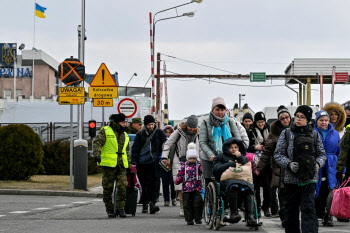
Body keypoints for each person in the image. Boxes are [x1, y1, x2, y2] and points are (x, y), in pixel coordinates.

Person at [274, 105, 326, 233]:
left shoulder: (315, 134)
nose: (298, 119)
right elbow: (278, 154)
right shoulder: (286, 133)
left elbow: (322, 154)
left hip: (309, 179)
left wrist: (317, 164)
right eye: (297, 116)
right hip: (290, 180)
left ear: (308, 119)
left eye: (302, 117)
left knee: (309, 210)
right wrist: (289, 164)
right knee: (291, 211)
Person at [255, 105, 291, 227]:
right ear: (279, 120)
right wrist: (259, 167)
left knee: (292, 196)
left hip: (294, 169)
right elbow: (267, 151)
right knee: (283, 195)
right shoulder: (274, 132)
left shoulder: (295, 129)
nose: (286, 120)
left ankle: (290, 217)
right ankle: (284, 217)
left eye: (287, 117)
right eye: (282, 118)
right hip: (279, 169)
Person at [162, 115, 201, 217]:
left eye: (194, 127)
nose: (191, 129)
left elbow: (201, 147)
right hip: (179, 161)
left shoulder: (199, 133)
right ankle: (182, 207)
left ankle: (191, 208)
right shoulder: (178, 132)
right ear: (186, 125)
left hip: (195, 162)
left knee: (194, 187)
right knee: (181, 187)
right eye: (190, 127)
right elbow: (168, 144)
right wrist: (164, 157)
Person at [199, 97, 242, 188]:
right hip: (210, 159)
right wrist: (210, 154)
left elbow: (237, 139)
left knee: (228, 184)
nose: (220, 112)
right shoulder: (205, 123)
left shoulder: (230, 122)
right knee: (210, 184)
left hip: (227, 158)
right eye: (217, 109)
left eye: (222, 110)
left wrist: (237, 152)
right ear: (212, 110)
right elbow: (202, 142)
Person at [93, 113, 130, 218]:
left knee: (123, 185)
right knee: (108, 188)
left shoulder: (125, 134)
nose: (124, 124)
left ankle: (120, 208)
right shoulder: (105, 130)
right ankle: (109, 208)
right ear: (117, 123)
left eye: (125, 122)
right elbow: (97, 142)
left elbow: (127, 151)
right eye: (123, 122)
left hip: (121, 165)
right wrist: (97, 154)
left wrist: (129, 164)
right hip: (108, 165)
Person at [212, 138, 256, 225]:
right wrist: (231, 164)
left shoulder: (243, 158)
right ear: (227, 148)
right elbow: (216, 170)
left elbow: (246, 167)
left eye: (236, 147)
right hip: (227, 181)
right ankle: (234, 213)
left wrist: (239, 157)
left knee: (248, 189)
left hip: (243, 180)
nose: (234, 149)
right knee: (234, 185)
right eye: (231, 147)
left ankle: (250, 216)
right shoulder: (220, 157)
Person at [131, 115, 167, 214]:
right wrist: (133, 162)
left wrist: (164, 157)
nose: (150, 126)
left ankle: (152, 203)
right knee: (144, 184)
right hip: (142, 163)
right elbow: (135, 149)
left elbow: (166, 144)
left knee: (154, 183)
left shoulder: (159, 133)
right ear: (145, 125)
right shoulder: (140, 134)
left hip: (154, 163)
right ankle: (144, 204)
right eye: (148, 125)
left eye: (152, 124)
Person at [313, 110, 340, 227]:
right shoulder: (312, 132)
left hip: (331, 165)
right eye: (321, 120)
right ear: (316, 121)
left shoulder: (335, 133)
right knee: (316, 190)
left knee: (330, 190)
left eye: (326, 120)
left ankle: (327, 215)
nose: (324, 122)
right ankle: (315, 214)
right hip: (317, 165)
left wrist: (341, 169)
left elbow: (339, 152)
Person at [247, 111, 274, 218]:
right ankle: (257, 207)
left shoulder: (269, 130)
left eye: (262, 122)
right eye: (259, 122)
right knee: (256, 187)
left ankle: (266, 207)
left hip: (267, 162)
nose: (261, 124)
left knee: (268, 187)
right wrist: (255, 147)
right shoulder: (250, 132)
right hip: (255, 163)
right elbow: (246, 147)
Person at [174, 143, 203, 225]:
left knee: (198, 202)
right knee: (187, 204)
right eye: (190, 158)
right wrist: (177, 181)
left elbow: (203, 171)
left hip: (197, 188)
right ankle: (189, 219)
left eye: (194, 158)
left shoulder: (199, 165)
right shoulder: (184, 166)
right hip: (186, 189)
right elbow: (180, 174)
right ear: (187, 158)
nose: (192, 160)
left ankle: (198, 218)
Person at [161, 125, 176, 207]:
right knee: (165, 182)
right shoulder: (162, 141)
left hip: (173, 163)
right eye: (166, 132)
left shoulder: (175, 141)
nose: (168, 134)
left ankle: (173, 198)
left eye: (170, 132)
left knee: (173, 182)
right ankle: (166, 199)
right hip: (164, 163)